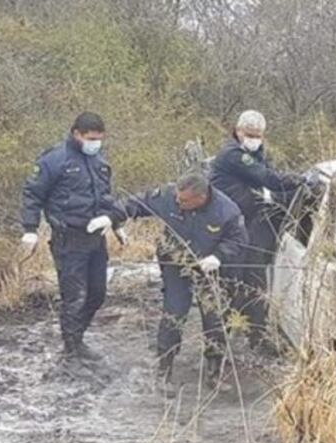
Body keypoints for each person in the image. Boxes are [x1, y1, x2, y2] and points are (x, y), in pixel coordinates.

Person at [113, 173, 247, 391]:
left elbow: (238, 239)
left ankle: (214, 373)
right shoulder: (169, 196)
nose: (178, 202)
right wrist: (112, 217)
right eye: (177, 198)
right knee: (173, 313)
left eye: (184, 201)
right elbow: (137, 203)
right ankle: (164, 372)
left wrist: (219, 256)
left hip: (210, 268)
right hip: (176, 263)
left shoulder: (227, 211)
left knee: (215, 317)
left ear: (201, 197)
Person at [20, 112, 124, 362]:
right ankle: (71, 350)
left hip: (96, 238)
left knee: (97, 294)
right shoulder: (54, 160)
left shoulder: (99, 161)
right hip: (69, 239)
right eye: (90, 138)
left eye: (99, 139)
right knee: (74, 298)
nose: (95, 143)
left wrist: (117, 224)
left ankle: (77, 339)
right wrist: (30, 230)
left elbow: (105, 197)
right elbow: (32, 194)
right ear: (76, 133)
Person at [209, 110, 305, 355]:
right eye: (250, 135)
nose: (254, 139)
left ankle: (255, 337)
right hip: (230, 228)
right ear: (238, 131)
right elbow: (267, 178)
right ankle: (218, 346)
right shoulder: (234, 155)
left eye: (258, 135)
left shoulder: (254, 152)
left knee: (252, 281)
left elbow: (267, 180)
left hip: (247, 222)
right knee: (238, 284)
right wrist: (299, 180)